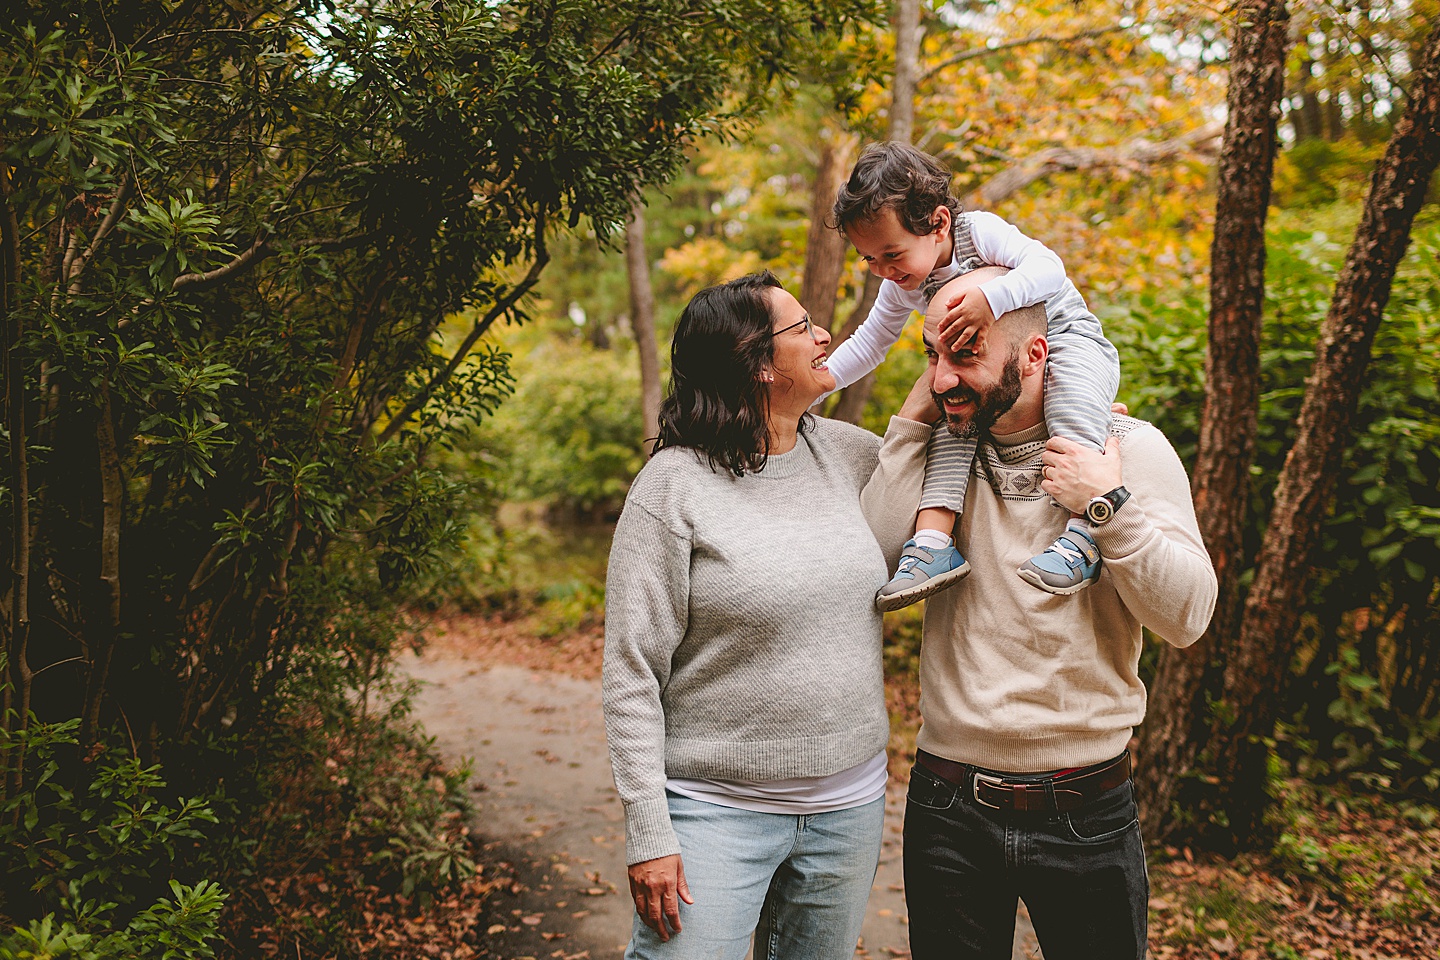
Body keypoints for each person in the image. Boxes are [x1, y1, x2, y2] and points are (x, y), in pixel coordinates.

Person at [860, 268, 1217, 959]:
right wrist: (919, 415)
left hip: (1087, 808)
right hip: (947, 807)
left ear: (1034, 354)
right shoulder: (942, 452)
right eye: (932, 356)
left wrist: (1107, 505)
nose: (941, 379)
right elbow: (869, 556)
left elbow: (1188, 617)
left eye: (965, 355)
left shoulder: (1129, 451)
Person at [603, 271, 933, 959]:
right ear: (758, 363)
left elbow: (954, 472)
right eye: (802, 327)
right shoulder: (672, 488)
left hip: (849, 811)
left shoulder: (849, 455)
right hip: (713, 811)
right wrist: (649, 831)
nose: (823, 336)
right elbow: (631, 671)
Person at [824, 141, 1122, 610]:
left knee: (1071, 408)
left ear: (938, 224)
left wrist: (992, 301)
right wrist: (821, 382)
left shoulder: (977, 233)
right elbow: (870, 341)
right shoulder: (904, 283)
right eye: (869, 260)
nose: (883, 270)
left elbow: (1049, 267)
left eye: (890, 254)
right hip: (985, 370)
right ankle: (932, 544)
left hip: (1067, 338)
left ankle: (1083, 537)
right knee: (952, 425)